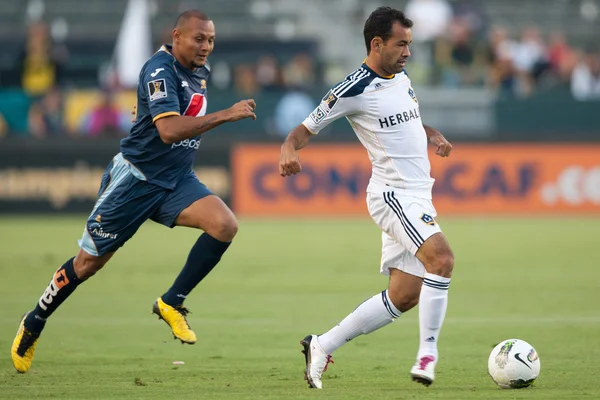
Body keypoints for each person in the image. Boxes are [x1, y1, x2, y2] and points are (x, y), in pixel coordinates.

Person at [11, 9, 256, 373]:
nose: (207, 46)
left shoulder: (199, 71)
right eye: (199, 39)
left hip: (175, 180)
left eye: (211, 40)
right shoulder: (159, 69)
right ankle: (34, 322)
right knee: (87, 264)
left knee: (224, 225)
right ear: (177, 36)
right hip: (136, 182)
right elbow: (169, 131)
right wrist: (225, 115)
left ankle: (171, 302)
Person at [279, 7, 454, 389]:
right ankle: (428, 355)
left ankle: (322, 345)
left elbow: (405, 116)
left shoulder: (400, 76)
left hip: (418, 195)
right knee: (441, 260)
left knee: (405, 295)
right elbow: (305, 129)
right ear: (377, 44)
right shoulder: (352, 88)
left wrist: (430, 132)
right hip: (393, 196)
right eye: (401, 44)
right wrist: (289, 148)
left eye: (409, 43)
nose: (408, 52)